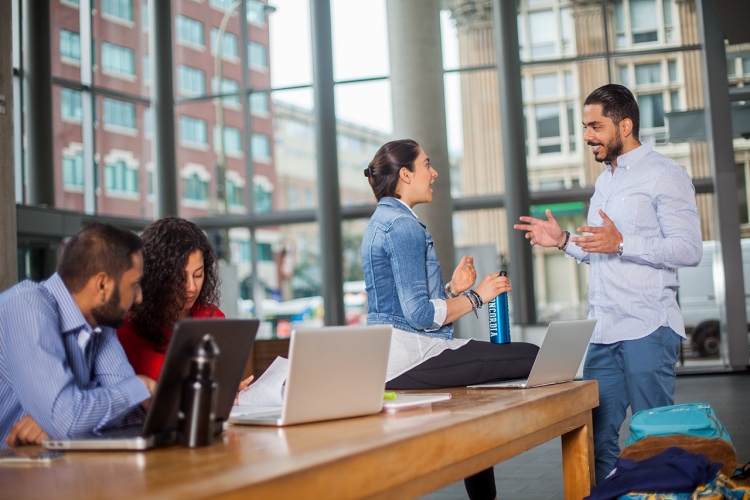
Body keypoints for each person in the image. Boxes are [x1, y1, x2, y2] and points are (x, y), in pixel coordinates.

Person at [514, 84, 702, 483]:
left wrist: (623, 243)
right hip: (603, 330)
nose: (587, 136)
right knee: (596, 440)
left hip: (648, 327)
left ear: (626, 124)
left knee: (654, 437)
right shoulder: (606, 182)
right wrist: (564, 241)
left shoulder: (665, 175)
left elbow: (688, 250)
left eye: (595, 126)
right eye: (585, 127)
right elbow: (601, 249)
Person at [361, 139, 539, 500]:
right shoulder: (403, 226)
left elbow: (403, 304)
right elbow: (421, 315)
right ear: (406, 174)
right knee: (534, 355)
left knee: (470, 415)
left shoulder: (383, 220)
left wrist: (452, 290)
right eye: (427, 165)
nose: (434, 173)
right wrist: (478, 296)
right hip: (410, 356)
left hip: (392, 355)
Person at [0, 222, 154, 448]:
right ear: (102, 285)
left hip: (44, 468)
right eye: (134, 285)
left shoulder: (101, 323)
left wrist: (72, 413)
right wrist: (141, 385)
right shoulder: (26, 306)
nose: (139, 297)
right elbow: (67, 421)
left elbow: (134, 415)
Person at [117, 216, 225, 381]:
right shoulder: (127, 328)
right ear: (157, 276)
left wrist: (229, 386)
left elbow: (220, 377)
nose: (191, 287)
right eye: (180, 278)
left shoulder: (212, 317)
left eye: (198, 275)